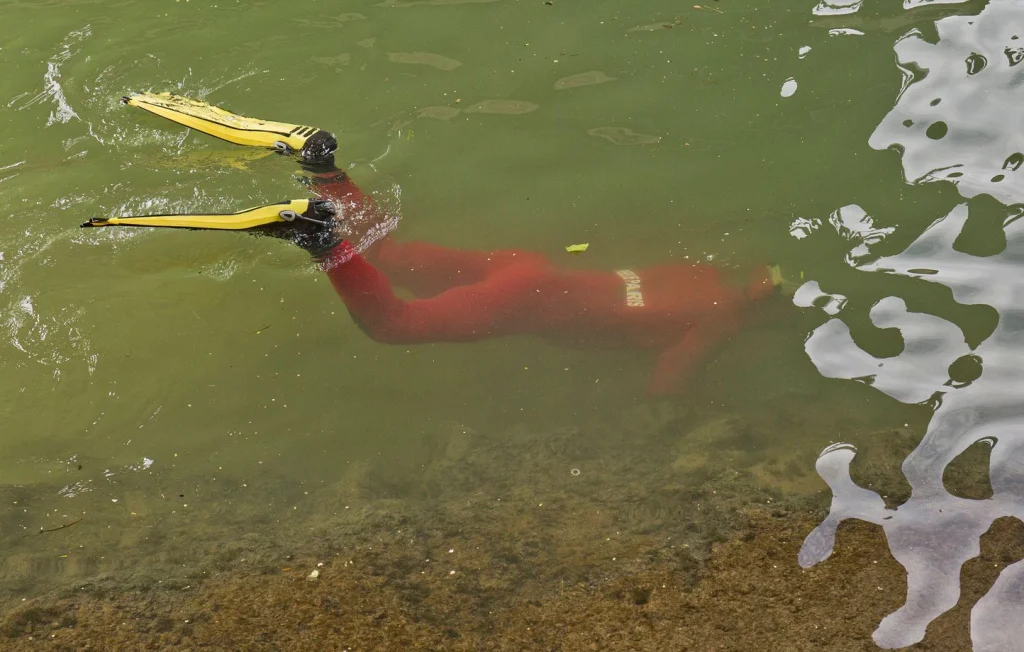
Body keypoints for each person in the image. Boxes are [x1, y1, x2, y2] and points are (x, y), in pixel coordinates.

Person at [85, 93, 789, 394]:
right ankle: (317, 235)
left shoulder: (695, 272)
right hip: (529, 303)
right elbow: (667, 387)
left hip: (529, 270)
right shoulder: (720, 316)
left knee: (388, 251)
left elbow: (633, 293)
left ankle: (323, 166)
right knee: (394, 324)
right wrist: (691, 404)